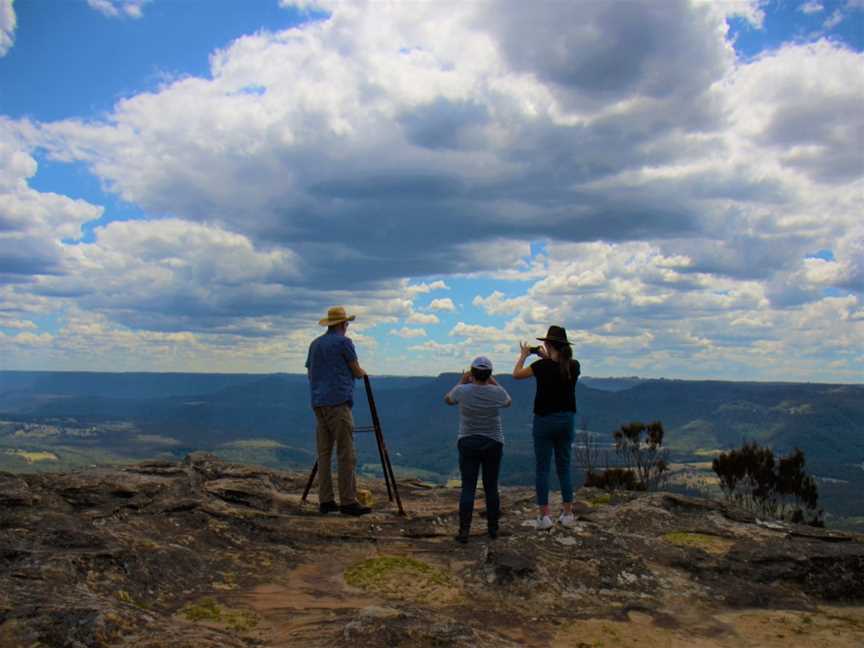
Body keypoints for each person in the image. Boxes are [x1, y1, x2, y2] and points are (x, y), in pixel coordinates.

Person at [512, 325, 581, 530]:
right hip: (566, 420)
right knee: (564, 467)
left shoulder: (540, 368)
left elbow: (516, 374)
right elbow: (557, 368)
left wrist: (525, 355)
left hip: (544, 421)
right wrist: (545, 357)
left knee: (542, 468)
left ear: (547, 344)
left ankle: (545, 517)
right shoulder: (574, 365)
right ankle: (568, 513)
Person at [305, 306, 371, 516]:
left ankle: (326, 500)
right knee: (346, 453)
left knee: (324, 453)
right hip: (338, 402)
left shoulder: (315, 344)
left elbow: (310, 372)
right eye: (347, 323)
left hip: (318, 402)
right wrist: (362, 373)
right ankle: (348, 502)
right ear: (343, 324)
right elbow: (356, 371)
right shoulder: (344, 343)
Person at [444, 356, 512, 543]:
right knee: (491, 487)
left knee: (468, 487)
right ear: (489, 374)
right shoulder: (496, 392)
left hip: (468, 441)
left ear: (472, 373)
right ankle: (493, 529)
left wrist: (462, 380)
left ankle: (464, 531)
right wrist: (492, 380)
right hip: (493, 442)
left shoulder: (462, 390)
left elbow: (448, 399)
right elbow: (508, 401)